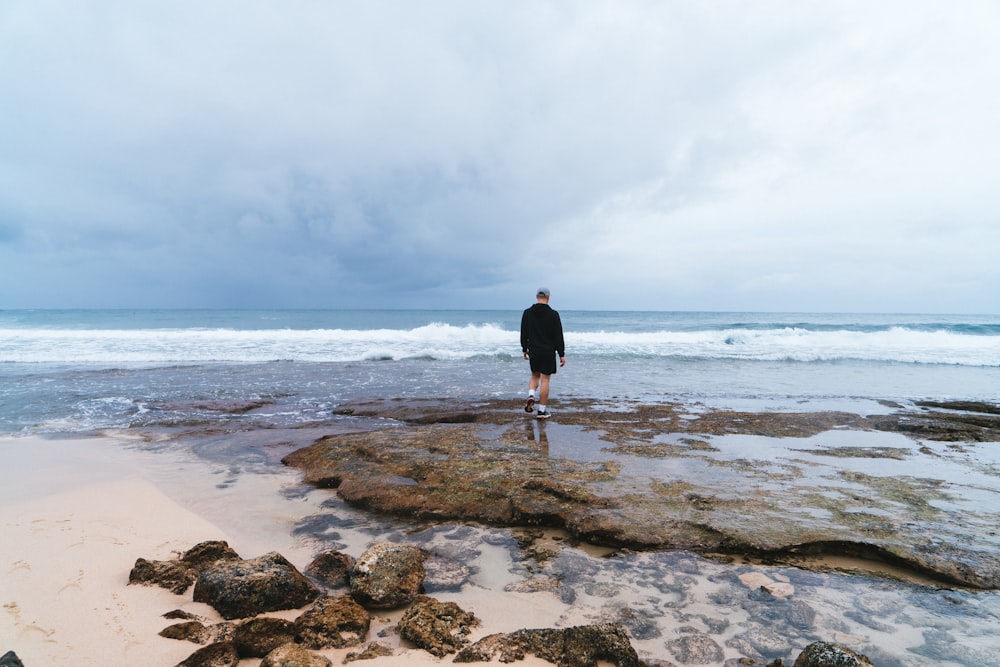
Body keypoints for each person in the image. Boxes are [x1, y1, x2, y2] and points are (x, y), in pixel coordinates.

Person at [520, 287, 566, 419]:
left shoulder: (527, 313)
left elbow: (524, 332)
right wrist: (561, 354)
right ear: (548, 297)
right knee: (545, 380)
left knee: (535, 375)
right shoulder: (553, 314)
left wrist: (524, 349)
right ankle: (541, 411)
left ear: (536, 297)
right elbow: (558, 336)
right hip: (548, 351)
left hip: (533, 350)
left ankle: (531, 395)